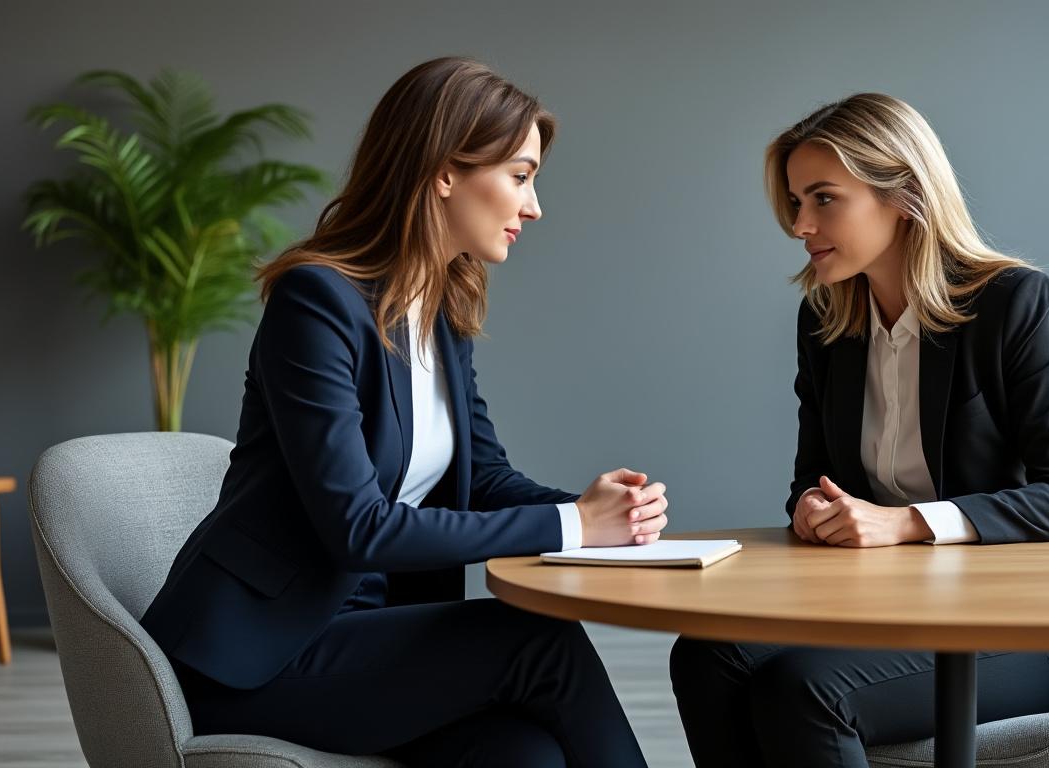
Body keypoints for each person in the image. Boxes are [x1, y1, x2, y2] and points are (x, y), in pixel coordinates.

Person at [141, 57, 666, 767]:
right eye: (519, 175)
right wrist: (574, 524)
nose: (534, 205)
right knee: (540, 640)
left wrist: (601, 514)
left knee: (526, 755)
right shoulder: (316, 303)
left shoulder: (440, 313)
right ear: (445, 171)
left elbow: (484, 478)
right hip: (255, 659)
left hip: (371, 639)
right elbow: (356, 528)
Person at [669, 93, 1049, 768]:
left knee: (804, 691)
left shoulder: (1010, 304)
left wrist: (907, 522)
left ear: (905, 194)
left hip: (1027, 625)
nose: (800, 224)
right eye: (796, 202)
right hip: (892, 608)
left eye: (824, 199)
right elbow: (810, 476)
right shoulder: (825, 324)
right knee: (707, 657)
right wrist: (813, 509)